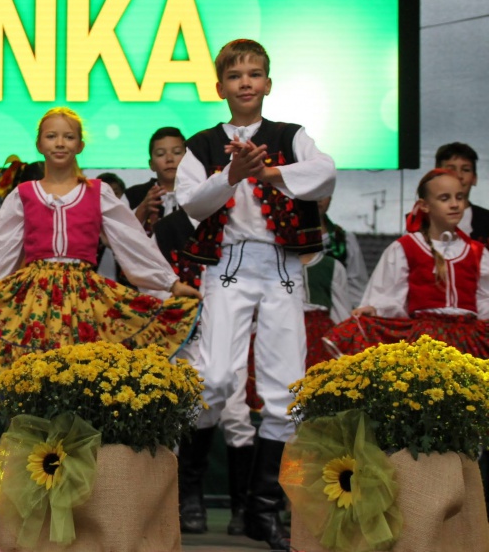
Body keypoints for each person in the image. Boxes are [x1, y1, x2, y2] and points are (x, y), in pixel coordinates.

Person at [175, 39, 335, 550]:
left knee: (286, 388)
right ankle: (187, 487)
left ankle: (263, 510)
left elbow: (325, 173)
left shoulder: (290, 136)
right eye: (235, 75)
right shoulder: (203, 145)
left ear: (268, 82)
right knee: (216, 378)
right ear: (219, 86)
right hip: (228, 264)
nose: (245, 82)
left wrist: (268, 173)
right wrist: (232, 175)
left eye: (254, 73)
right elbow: (191, 204)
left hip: (282, 264)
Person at [0, 107, 200, 375]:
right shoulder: (24, 194)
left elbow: (133, 242)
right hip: (33, 298)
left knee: (83, 371)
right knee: (36, 372)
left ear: (80, 145)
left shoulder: (98, 192)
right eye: (51, 136)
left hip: (85, 296)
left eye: (68, 137)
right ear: (39, 144)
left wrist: (170, 283)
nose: (60, 143)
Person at [323, 169, 489, 358]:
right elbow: (389, 296)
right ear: (424, 205)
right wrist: (375, 309)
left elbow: (484, 300)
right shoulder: (406, 247)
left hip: (468, 339)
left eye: (459, 197)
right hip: (423, 339)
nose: (454, 204)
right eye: (444, 198)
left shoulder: (476, 251)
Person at [126, 127, 186, 232]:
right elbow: (117, 237)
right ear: (151, 164)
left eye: (177, 152)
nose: (169, 159)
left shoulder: (199, 193)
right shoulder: (132, 195)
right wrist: (142, 209)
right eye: (160, 154)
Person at [436, 142, 489, 244]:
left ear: (474, 178)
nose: (459, 176)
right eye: (451, 169)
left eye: (465, 170)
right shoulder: (418, 222)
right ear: (436, 177)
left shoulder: (487, 221)